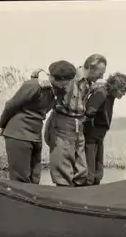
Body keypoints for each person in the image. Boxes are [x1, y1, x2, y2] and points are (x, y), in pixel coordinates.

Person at [0, 60, 77, 184]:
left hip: (35, 135)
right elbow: (11, 105)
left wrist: (42, 73)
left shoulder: (58, 90)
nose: (67, 85)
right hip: (19, 134)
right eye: (64, 82)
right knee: (20, 179)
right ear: (54, 78)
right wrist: (2, 125)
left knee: (35, 178)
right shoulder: (34, 86)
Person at [31, 54, 108, 186]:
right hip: (62, 122)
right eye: (100, 73)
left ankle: (76, 195)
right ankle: (63, 195)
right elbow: (43, 75)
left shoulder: (89, 82)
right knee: (63, 167)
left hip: (78, 125)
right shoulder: (70, 76)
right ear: (90, 67)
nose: (101, 77)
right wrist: (41, 74)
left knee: (81, 168)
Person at [83, 73, 126, 185]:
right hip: (91, 136)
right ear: (115, 87)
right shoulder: (101, 93)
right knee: (90, 171)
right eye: (122, 90)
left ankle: (94, 188)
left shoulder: (109, 95)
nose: (124, 94)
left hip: (99, 136)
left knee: (98, 171)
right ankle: (87, 190)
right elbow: (88, 113)